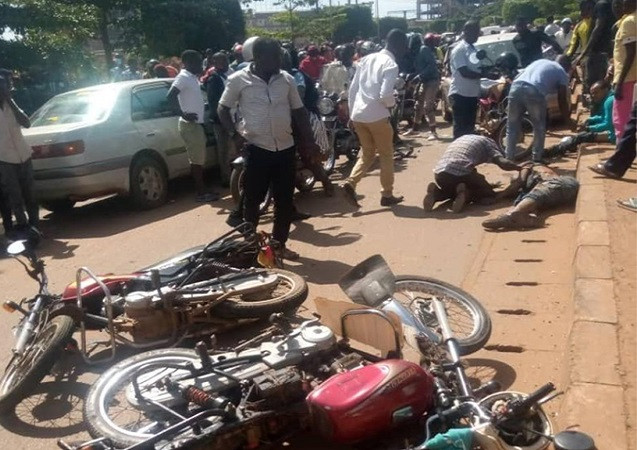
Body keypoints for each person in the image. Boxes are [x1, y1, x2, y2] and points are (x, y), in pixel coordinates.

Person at [218, 38, 321, 260]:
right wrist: (234, 135)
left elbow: (300, 112)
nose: (278, 60)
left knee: (285, 200)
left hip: (285, 148)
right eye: (273, 56)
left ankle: (278, 245)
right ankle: (251, 246)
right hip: (256, 148)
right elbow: (222, 109)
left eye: (279, 56)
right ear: (258, 57)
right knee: (252, 200)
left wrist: (311, 141)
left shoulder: (287, 80)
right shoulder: (238, 80)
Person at [341, 29, 408, 209]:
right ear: (400, 45)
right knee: (386, 154)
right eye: (405, 46)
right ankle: (387, 194)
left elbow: (353, 89)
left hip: (359, 115)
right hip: (377, 116)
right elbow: (385, 94)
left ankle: (350, 182)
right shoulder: (391, 64)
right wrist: (391, 104)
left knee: (368, 153)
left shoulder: (366, 59)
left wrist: (351, 114)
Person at [167, 50, 219, 203]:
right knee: (196, 161)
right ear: (188, 62)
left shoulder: (192, 78)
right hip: (190, 124)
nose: (200, 65)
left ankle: (203, 189)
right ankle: (201, 193)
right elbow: (170, 95)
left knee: (199, 159)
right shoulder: (183, 77)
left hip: (196, 124)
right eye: (197, 62)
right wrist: (183, 114)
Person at [422, 135, 522, 213]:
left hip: (440, 173)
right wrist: (520, 168)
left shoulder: (464, 138)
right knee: (487, 193)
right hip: (461, 171)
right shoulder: (489, 143)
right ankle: (467, 194)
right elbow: (503, 163)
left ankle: (436, 194)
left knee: (451, 189)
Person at [505, 56, 571, 163]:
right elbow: (562, 99)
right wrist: (567, 120)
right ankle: (537, 157)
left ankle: (509, 158)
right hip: (533, 91)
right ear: (568, 66)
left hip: (515, 87)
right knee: (539, 127)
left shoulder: (540, 61)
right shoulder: (561, 71)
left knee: (511, 126)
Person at [0, 71, 40, 240]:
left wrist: (10, 101)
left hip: (24, 155)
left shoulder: (12, 105)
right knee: (15, 197)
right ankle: (24, 230)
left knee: (30, 195)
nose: (4, 90)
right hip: (5, 158)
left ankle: (35, 228)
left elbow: (27, 123)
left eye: (5, 87)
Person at [482, 163, 579, 230]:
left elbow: (519, 183)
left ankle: (514, 215)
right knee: (536, 199)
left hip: (560, 183)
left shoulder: (530, 166)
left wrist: (497, 197)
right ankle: (519, 216)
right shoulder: (528, 190)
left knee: (538, 193)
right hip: (560, 194)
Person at [546, 80, 616, 157]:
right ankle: (564, 147)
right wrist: (589, 120)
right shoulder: (610, 98)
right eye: (592, 93)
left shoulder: (609, 102)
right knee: (583, 133)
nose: (593, 96)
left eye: (596, 93)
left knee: (582, 136)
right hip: (616, 131)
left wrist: (588, 128)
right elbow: (604, 117)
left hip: (615, 135)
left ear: (605, 90)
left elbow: (608, 124)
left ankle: (556, 150)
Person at [448, 21, 483, 139]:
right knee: (460, 130)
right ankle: (456, 155)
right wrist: (484, 74)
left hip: (472, 94)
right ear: (467, 32)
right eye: (476, 32)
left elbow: (477, 67)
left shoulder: (474, 49)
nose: (478, 34)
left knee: (469, 129)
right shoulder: (460, 49)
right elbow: (464, 72)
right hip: (460, 94)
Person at [405, 33, 441, 140]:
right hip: (424, 81)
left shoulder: (423, 49)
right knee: (418, 104)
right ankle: (415, 129)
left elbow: (431, 66)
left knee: (428, 106)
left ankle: (433, 132)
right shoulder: (414, 53)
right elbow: (417, 69)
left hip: (432, 80)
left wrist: (419, 76)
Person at [206, 52, 234, 187]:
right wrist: (221, 118)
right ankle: (226, 178)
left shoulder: (232, 73)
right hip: (221, 120)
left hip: (235, 116)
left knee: (235, 147)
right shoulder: (213, 79)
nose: (224, 63)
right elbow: (213, 102)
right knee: (223, 150)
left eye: (225, 60)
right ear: (215, 63)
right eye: (220, 61)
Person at [575, 0, 615, 89]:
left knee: (593, 84)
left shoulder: (601, 5)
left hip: (598, 53)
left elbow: (598, 28)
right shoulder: (609, 5)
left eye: (583, 10)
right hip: (606, 51)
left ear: (589, 7)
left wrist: (583, 53)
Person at [611, 0, 636, 140]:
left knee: (621, 120)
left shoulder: (629, 21)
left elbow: (631, 53)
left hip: (626, 79)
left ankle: (620, 158)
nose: (622, 5)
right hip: (632, 77)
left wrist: (619, 82)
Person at [590, 103, 636, 178]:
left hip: (612, 136)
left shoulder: (610, 102)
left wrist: (590, 128)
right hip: (612, 135)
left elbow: (608, 124)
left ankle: (615, 166)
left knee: (633, 125)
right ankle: (616, 164)